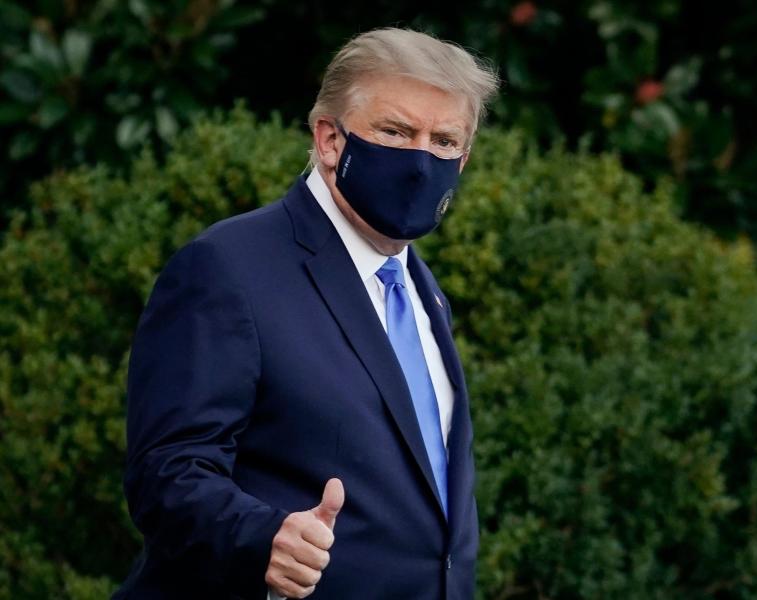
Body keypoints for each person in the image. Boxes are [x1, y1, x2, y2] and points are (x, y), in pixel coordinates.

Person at [113, 28, 498, 599]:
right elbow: (166, 472)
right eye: (395, 131)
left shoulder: (421, 289)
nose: (422, 161)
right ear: (329, 139)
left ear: (463, 159)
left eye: (444, 141)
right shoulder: (228, 267)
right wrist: (264, 538)